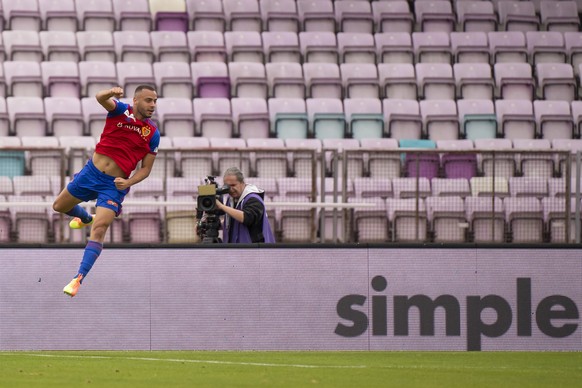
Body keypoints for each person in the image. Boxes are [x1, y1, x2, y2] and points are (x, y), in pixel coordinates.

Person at [52, 85, 160, 297]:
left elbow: (146, 169)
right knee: (59, 206)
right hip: (91, 173)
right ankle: (85, 217)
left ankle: (78, 278)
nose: (153, 105)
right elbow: (100, 97)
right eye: (148, 100)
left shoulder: (153, 133)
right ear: (136, 100)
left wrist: (128, 183)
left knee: (100, 230)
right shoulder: (121, 110)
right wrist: (111, 92)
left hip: (114, 185)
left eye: (155, 101)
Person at [215, 167, 275, 243]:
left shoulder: (253, 199)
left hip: (255, 250)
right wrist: (215, 225)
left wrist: (221, 206)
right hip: (238, 250)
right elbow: (232, 220)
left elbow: (246, 218)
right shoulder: (231, 199)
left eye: (233, 185)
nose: (231, 189)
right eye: (227, 187)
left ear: (242, 183)